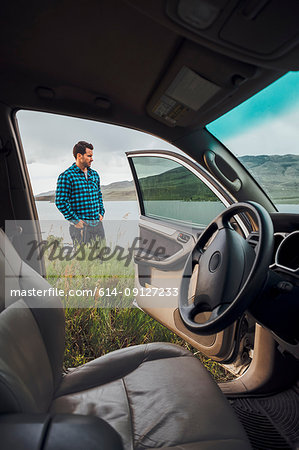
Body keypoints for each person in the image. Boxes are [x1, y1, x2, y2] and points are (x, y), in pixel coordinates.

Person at [55, 141, 105, 246]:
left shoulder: (95, 174)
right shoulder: (67, 176)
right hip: (80, 228)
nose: (92, 159)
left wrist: (101, 212)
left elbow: (99, 195)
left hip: (98, 225)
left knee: (102, 260)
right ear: (79, 156)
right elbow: (60, 202)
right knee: (84, 261)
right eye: (89, 156)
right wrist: (76, 221)